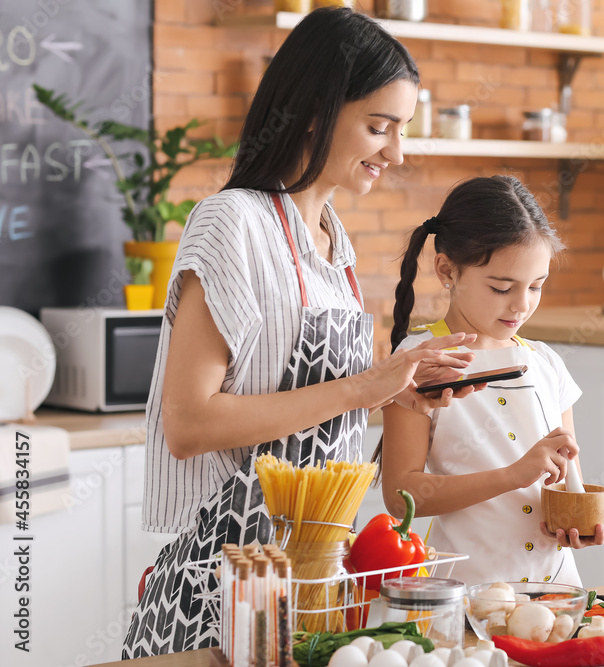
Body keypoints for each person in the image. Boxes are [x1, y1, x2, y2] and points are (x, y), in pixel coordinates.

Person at [123, 8, 479, 658]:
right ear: (316, 111)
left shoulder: (332, 244)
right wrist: (362, 386)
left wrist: (393, 392)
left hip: (315, 579)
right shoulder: (232, 223)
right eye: (379, 127)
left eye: (402, 130)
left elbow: (312, 402)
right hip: (227, 581)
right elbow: (189, 423)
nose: (396, 153)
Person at [378, 176, 604, 587]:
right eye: (502, 287)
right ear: (447, 269)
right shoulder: (417, 363)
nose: (522, 305)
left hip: (556, 590)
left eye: (537, 286)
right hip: (468, 594)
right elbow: (401, 498)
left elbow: (566, 477)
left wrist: (580, 516)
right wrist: (512, 475)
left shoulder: (547, 363)